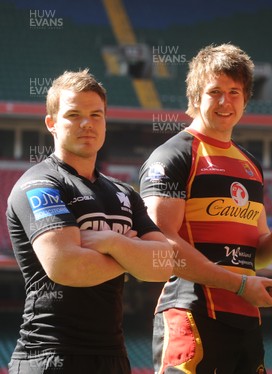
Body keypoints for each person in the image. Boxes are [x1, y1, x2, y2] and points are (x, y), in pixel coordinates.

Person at [139, 43, 272, 374]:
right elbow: (161, 242)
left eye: (235, 92)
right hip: (192, 312)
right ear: (196, 97)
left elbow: (257, 256)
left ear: (245, 100)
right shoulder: (173, 156)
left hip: (245, 316)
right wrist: (239, 284)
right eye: (215, 92)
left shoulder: (250, 164)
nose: (226, 102)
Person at [6, 69, 173, 374]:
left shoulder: (124, 192)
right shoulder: (40, 184)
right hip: (50, 355)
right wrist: (133, 255)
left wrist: (112, 242)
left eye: (96, 114)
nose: (87, 123)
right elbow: (67, 267)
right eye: (73, 115)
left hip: (113, 357)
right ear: (51, 123)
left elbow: (163, 264)